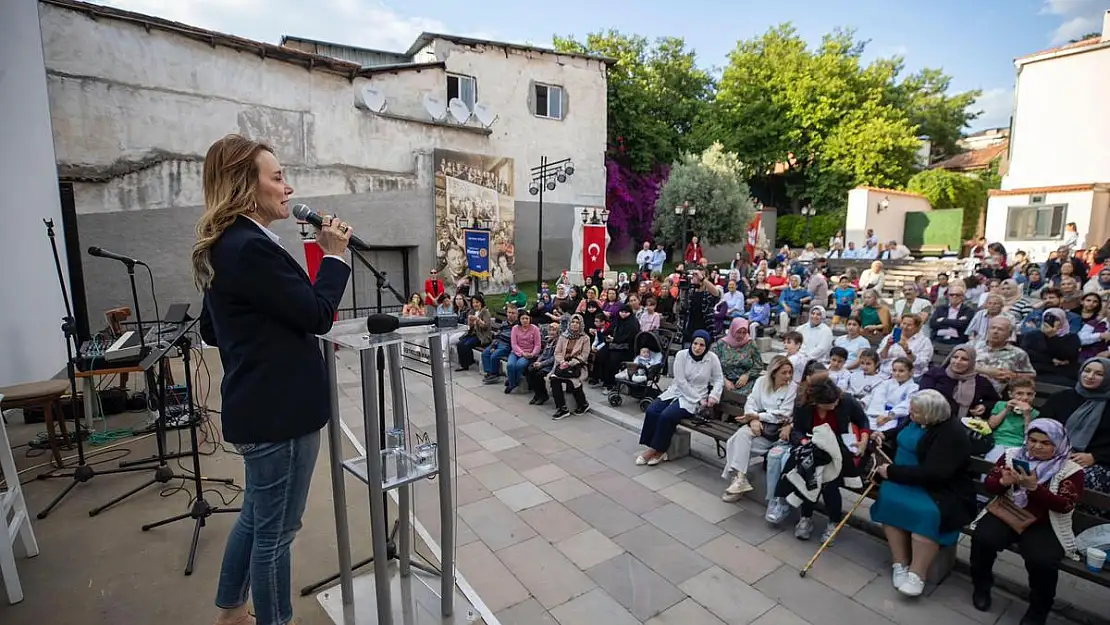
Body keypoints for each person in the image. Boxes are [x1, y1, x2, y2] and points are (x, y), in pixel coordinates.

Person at [194, 135, 353, 625]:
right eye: (278, 176)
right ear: (247, 185)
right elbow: (317, 315)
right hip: (280, 416)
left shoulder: (232, 244)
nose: (289, 187)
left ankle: (230, 611)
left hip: (261, 406)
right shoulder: (248, 248)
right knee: (276, 535)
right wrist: (333, 257)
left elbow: (209, 327)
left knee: (257, 518)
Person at [970, 419, 1084, 625]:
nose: (1037, 446)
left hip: (1046, 521)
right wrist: (1003, 482)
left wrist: (1035, 489)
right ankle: (981, 587)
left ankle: (1038, 611)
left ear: (1058, 443)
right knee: (983, 538)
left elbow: (1065, 505)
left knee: (1042, 560)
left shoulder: (1072, 470)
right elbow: (990, 484)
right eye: (1033, 440)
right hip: (1009, 510)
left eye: (1046, 443)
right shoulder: (1013, 455)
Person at [870, 390, 977, 597]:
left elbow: (935, 473)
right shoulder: (919, 420)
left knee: (926, 513)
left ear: (931, 415)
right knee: (890, 501)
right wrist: (885, 434)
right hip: (902, 479)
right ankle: (899, 563)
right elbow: (904, 432)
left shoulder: (951, 434)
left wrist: (891, 472)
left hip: (935, 488)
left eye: (916, 412)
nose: (911, 415)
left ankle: (917, 574)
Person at [776, 378, 870, 543]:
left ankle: (833, 522)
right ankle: (805, 517)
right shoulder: (802, 405)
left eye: (835, 403)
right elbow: (797, 430)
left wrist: (863, 440)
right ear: (815, 402)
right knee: (809, 478)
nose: (833, 407)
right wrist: (805, 443)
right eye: (828, 405)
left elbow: (863, 420)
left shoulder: (845, 400)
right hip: (811, 447)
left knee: (829, 485)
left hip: (838, 450)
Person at [637, 330, 723, 466]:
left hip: (695, 398)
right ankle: (651, 446)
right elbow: (681, 381)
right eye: (695, 343)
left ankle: (659, 450)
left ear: (706, 346)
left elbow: (719, 378)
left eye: (702, 345)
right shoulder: (682, 355)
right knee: (652, 411)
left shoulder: (712, 358)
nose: (697, 348)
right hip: (677, 391)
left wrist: (714, 395)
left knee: (667, 416)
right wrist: (697, 397)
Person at [721, 355, 797, 501]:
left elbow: (782, 414)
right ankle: (740, 480)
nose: (788, 376)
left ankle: (738, 480)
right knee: (740, 439)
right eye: (784, 373)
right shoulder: (761, 382)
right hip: (757, 427)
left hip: (774, 433)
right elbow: (751, 402)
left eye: (790, 372)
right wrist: (753, 419)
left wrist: (756, 417)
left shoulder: (791, 389)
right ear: (774, 373)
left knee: (735, 441)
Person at [1041, 357, 1110, 501]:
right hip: (1053, 453)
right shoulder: (1061, 398)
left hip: (1098, 462)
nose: (1090, 376)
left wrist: (1095, 457)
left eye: (1099, 374)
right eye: (1087, 371)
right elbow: (1042, 427)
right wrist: (1056, 450)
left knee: (1071, 482)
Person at [919, 345, 1000, 423]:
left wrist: (984, 406)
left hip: (962, 425)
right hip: (931, 420)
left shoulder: (981, 382)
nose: (957, 362)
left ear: (971, 362)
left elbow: (995, 402)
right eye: (955, 357)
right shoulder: (934, 374)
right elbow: (923, 397)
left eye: (964, 359)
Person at [548, 314, 592, 420]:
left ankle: (583, 404)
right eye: (573, 322)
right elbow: (557, 352)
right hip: (562, 365)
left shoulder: (585, 338)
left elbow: (584, 355)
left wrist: (571, 363)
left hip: (577, 366)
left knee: (572, 381)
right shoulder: (563, 336)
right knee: (554, 379)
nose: (575, 324)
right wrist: (562, 361)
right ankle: (562, 408)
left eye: (577, 323)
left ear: (581, 324)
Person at [1020, 309, 1081, 385]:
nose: (1051, 321)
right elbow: (1027, 353)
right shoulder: (1032, 335)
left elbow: (1067, 355)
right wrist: (1050, 360)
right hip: (1039, 369)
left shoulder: (1072, 337)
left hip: (1061, 371)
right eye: (1047, 318)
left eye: (1056, 319)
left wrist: (1052, 337)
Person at [711, 318, 764, 395]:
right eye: (738, 332)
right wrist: (724, 380)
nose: (741, 335)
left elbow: (758, 365)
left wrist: (747, 375)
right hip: (725, 382)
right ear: (733, 330)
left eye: (744, 332)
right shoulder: (721, 345)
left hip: (746, 382)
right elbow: (713, 366)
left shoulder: (751, 344)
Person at [506, 311, 542, 394]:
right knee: (510, 365)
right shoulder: (515, 328)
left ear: (530, 319)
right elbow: (514, 344)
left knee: (520, 365)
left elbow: (537, 345)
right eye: (523, 318)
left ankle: (511, 383)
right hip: (516, 352)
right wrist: (522, 353)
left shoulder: (535, 329)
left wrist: (532, 354)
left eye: (527, 318)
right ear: (519, 319)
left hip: (529, 353)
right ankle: (513, 383)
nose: (525, 320)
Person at [455, 295, 492, 371]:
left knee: (467, 345)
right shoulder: (472, 311)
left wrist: (478, 319)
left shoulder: (485, 312)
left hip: (482, 336)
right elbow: (469, 328)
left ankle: (469, 362)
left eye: (477, 302)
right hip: (472, 334)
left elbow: (485, 326)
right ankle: (463, 365)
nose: (475, 304)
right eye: (473, 302)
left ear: (481, 303)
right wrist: (470, 322)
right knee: (460, 343)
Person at [526, 323, 560, 405]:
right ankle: (537, 394)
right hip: (543, 363)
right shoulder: (549, 340)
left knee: (539, 375)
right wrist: (538, 361)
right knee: (530, 370)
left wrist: (542, 364)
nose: (551, 332)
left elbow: (554, 358)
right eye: (550, 330)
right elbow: (543, 354)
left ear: (558, 332)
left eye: (554, 330)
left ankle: (543, 395)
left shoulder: (558, 342)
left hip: (551, 365)